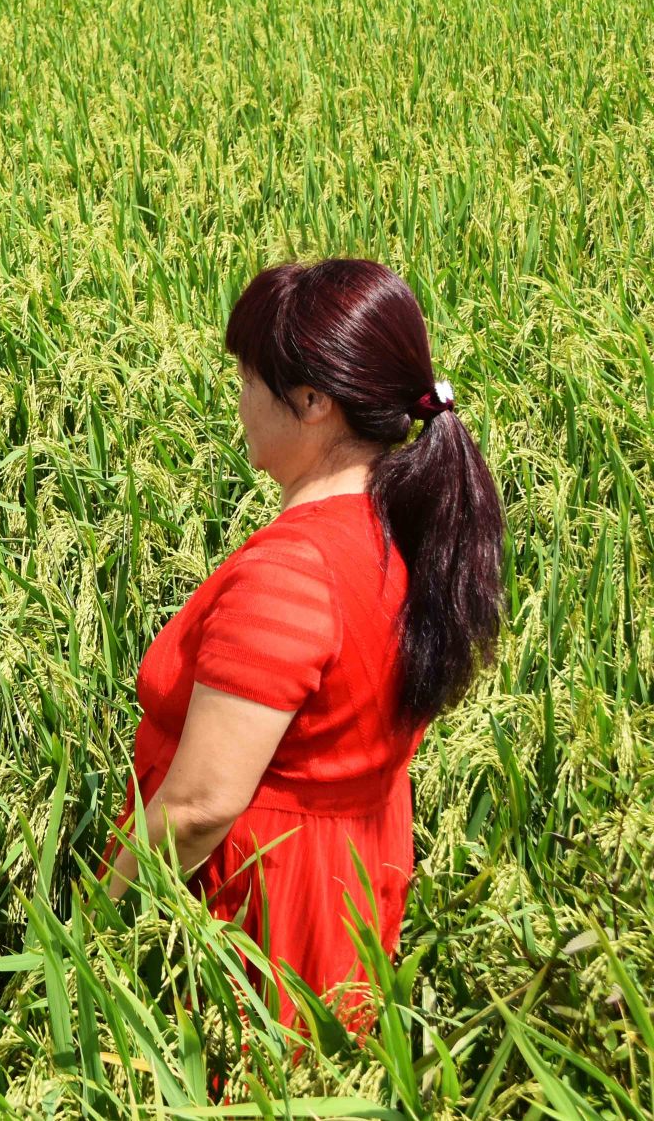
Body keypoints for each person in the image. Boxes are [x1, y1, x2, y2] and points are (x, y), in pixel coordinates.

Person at [106, 259, 506, 1030]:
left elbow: (198, 806)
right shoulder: (405, 531)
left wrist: (95, 925)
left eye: (250, 377)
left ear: (315, 401)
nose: (240, 399)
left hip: (255, 921)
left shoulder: (293, 576)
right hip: (351, 885)